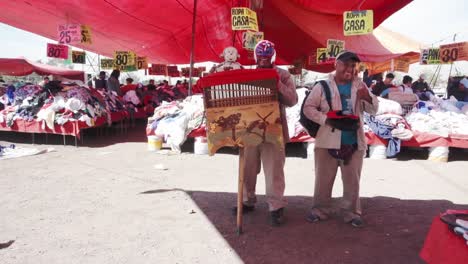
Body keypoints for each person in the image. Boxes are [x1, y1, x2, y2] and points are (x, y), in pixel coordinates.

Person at [303, 51, 379, 227]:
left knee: (352, 181)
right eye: (345, 64)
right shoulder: (322, 85)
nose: (349, 69)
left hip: (353, 141)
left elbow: (373, 109)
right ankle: (319, 210)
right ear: (336, 64)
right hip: (326, 140)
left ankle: (351, 213)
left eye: (353, 65)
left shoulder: (360, 85)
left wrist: (365, 96)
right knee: (323, 179)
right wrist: (326, 119)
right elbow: (308, 108)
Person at [233, 40, 298, 226]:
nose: (263, 61)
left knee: (274, 171)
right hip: (250, 129)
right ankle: (246, 201)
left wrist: (277, 84)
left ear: (273, 57)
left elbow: (293, 100)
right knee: (247, 167)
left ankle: (276, 206)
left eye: (267, 58)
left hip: (274, 131)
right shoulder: (248, 75)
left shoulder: (283, 75)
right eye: (260, 58)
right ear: (256, 57)